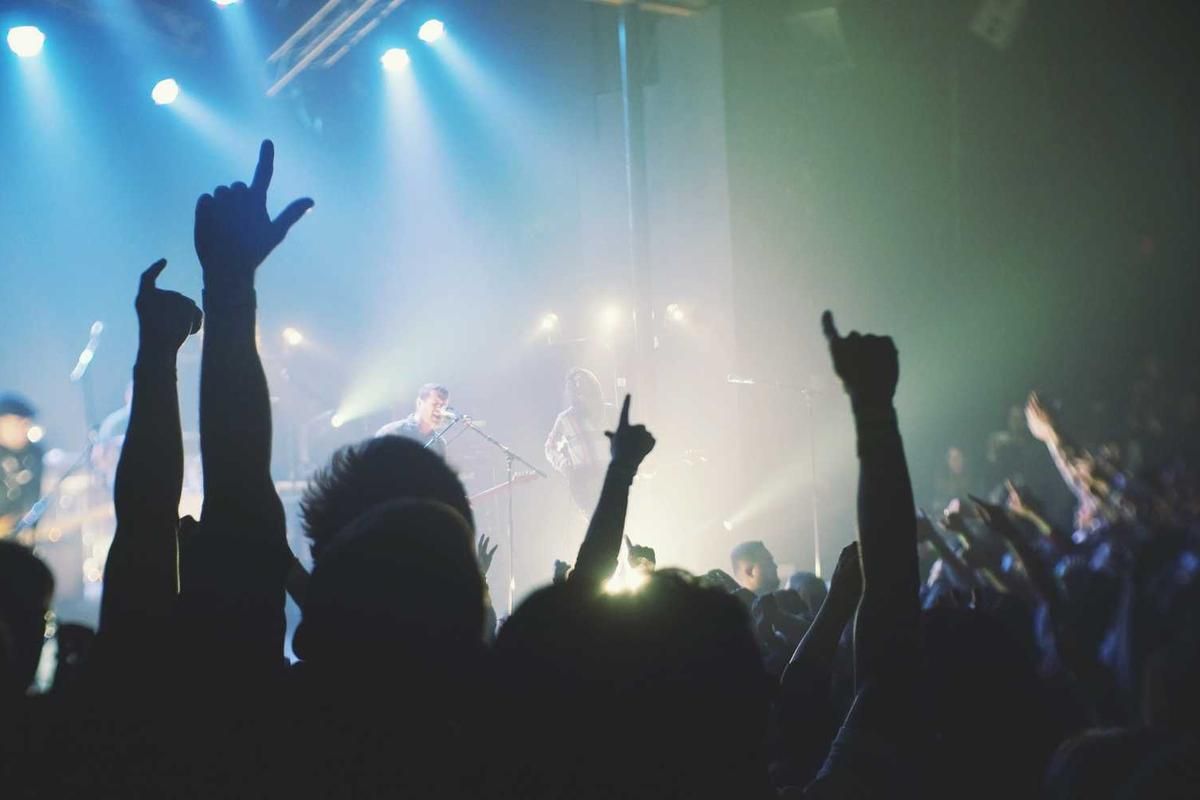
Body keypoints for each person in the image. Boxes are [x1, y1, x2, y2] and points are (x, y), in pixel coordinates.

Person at [544, 368, 610, 515]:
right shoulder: (566, 419)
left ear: (593, 385)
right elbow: (550, 448)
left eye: (583, 382)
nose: (580, 388)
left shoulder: (610, 412)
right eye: (575, 385)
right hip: (585, 484)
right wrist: (565, 466)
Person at [0, 395, 44, 538]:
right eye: (18, 423)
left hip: (24, 534)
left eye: (27, 423)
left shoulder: (34, 454)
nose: (24, 429)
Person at [375, 383, 453, 458]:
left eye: (443, 406)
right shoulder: (392, 432)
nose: (440, 410)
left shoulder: (439, 444)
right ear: (419, 403)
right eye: (435, 404)